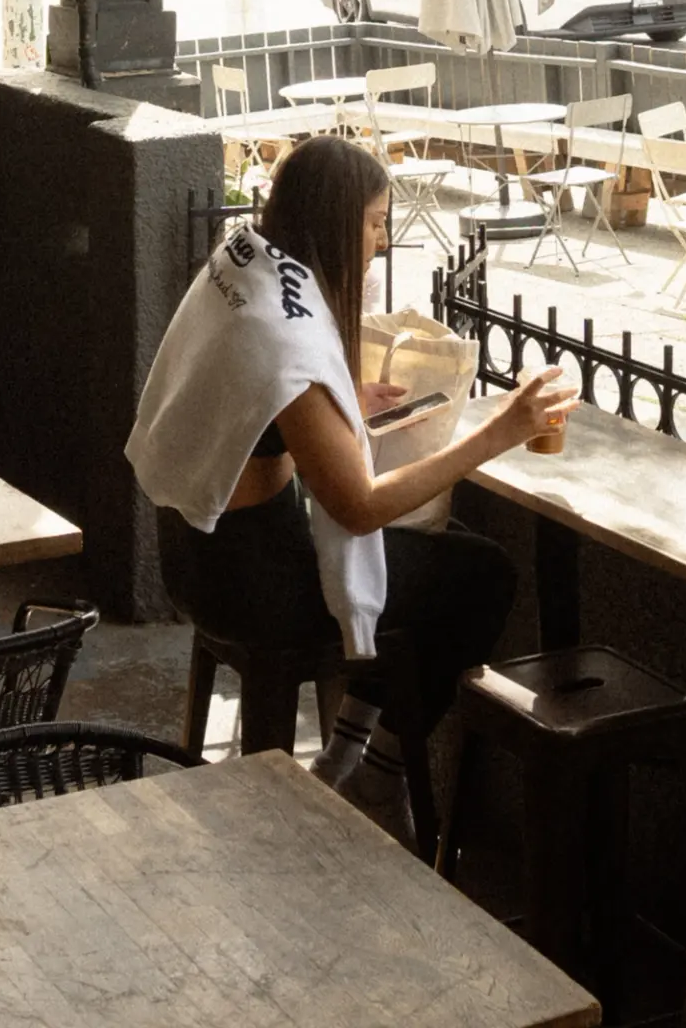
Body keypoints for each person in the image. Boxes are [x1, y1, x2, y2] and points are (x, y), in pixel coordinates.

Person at [128, 136, 573, 827]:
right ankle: (374, 767)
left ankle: (348, 749)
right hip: (253, 583)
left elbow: (248, 395)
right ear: (335, 221)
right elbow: (358, 508)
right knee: (482, 575)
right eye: (374, 222)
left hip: (189, 551)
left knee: (435, 555)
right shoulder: (287, 334)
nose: (382, 240)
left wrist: (342, 404)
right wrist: (503, 430)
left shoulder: (241, 262)